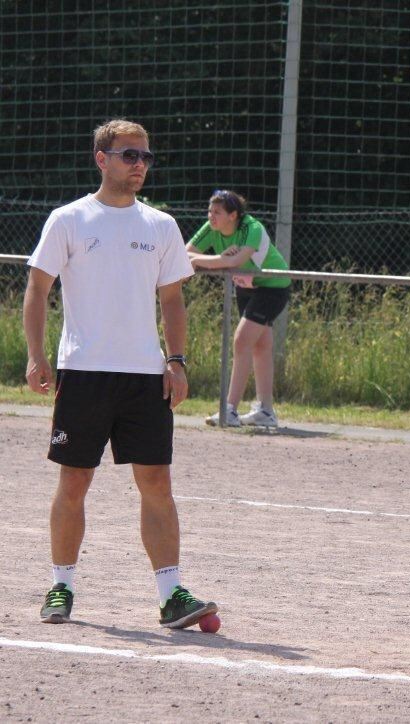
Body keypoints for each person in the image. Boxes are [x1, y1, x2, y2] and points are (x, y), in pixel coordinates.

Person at [23, 119, 218, 629]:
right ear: (101, 159)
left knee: (157, 482)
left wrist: (176, 361)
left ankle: (171, 595)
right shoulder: (69, 219)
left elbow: (172, 299)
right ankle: (61, 586)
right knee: (74, 481)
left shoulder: (160, 225)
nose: (139, 165)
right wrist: (36, 355)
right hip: (84, 372)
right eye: (129, 155)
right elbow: (38, 289)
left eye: (145, 157)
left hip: (144, 377)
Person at [186, 189, 290, 428]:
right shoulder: (211, 228)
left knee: (242, 341)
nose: (211, 216)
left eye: (217, 212)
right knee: (261, 346)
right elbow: (186, 252)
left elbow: (235, 261)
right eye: (210, 211)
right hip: (246, 287)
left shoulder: (251, 228)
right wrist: (217, 258)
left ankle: (229, 409)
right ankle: (265, 411)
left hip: (272, 287)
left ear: (233, 215)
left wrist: (202, 260)